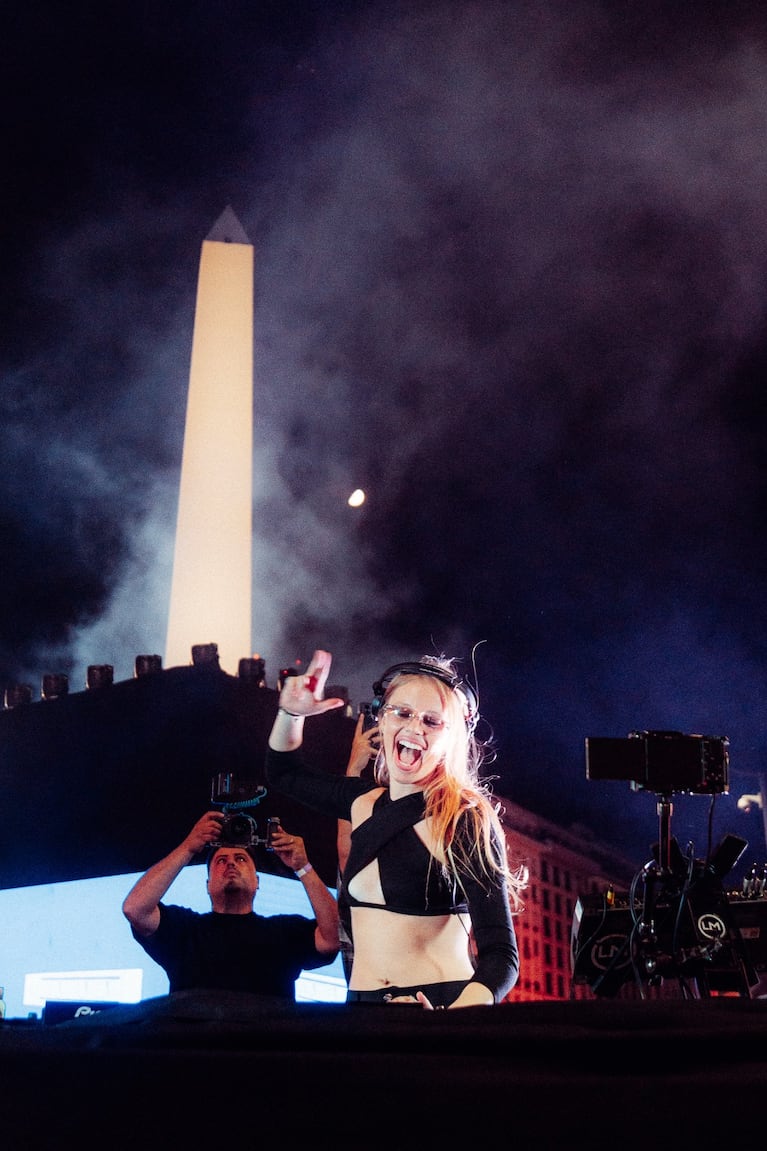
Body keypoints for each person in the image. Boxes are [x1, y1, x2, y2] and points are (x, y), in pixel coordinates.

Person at [266, 649, 525, 1009]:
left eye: (432, 721)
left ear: (451, 738)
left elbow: (501, 956)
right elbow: (283, 772)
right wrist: (291, 714)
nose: (414, 727)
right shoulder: (361, 802)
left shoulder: (462, 819)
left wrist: (450, 1018)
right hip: (363, 1008)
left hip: (437, 1009)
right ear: (382, 720)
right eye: (402, 713)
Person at [122, 811, 340, 1000]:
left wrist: (302, 867)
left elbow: (332, 938)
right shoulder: (185, 930)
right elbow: (135, 908)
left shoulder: (284, 932)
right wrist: (188, 848)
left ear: (257, 881)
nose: (231, 864)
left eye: (241, 859)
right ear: (208, 884)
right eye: (221, 861)